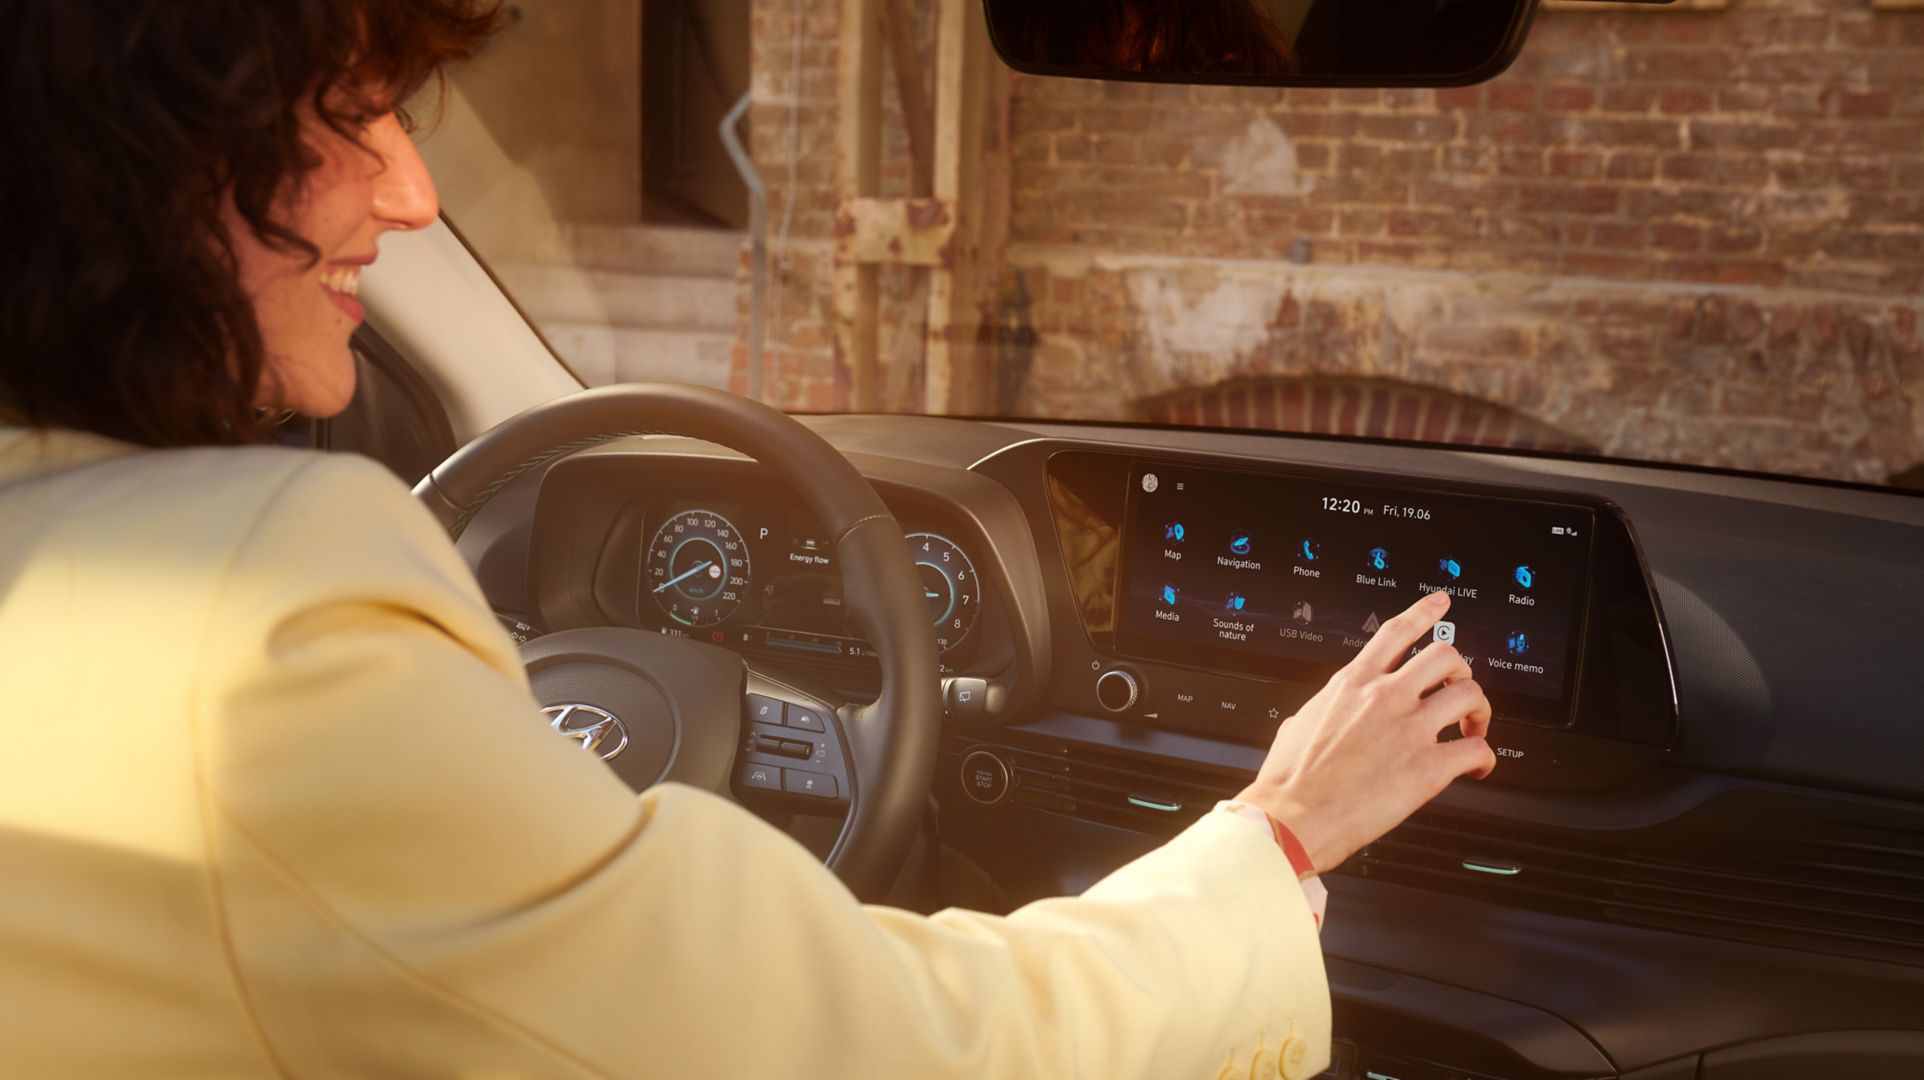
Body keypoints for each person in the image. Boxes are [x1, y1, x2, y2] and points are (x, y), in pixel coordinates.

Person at [0, 1, 1496, 1075]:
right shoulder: (256, 615)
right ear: (141, 159)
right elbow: (887, 1049)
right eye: (347, 114)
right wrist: (1276, 832)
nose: (414, 190)